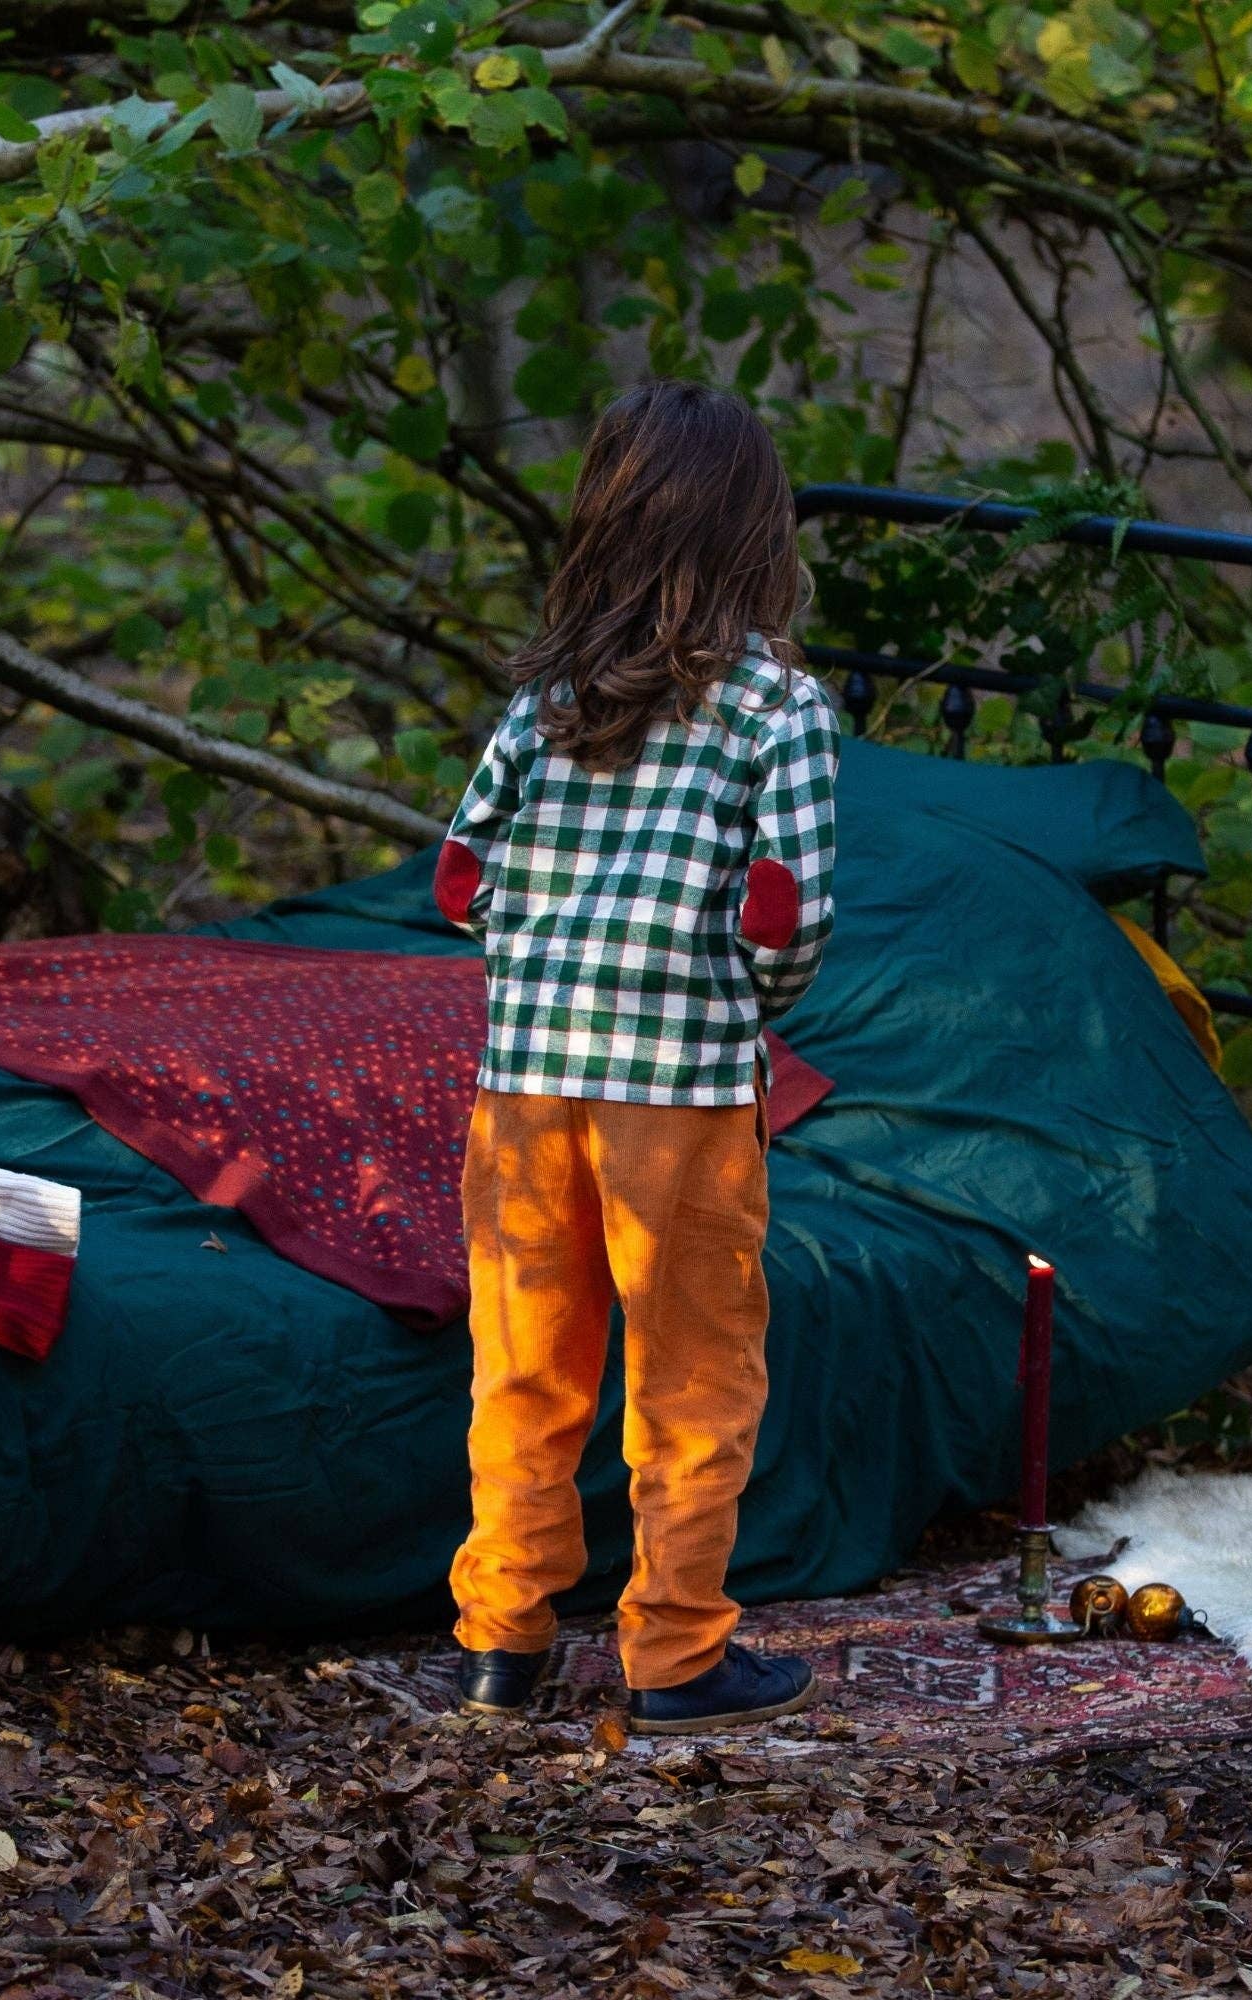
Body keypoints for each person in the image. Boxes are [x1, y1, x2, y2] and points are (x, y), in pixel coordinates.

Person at [432, 379, 840, 1735]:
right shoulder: (778, 708)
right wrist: (746, 987)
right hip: (681, 1090)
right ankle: (673, 1651)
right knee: (692, 1373)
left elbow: (461, 876)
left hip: (526, 1080)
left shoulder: (548, 698)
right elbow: (790, 909)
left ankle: (503, 1636)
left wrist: (544, 954)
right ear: (757, 534)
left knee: (525, 1365)